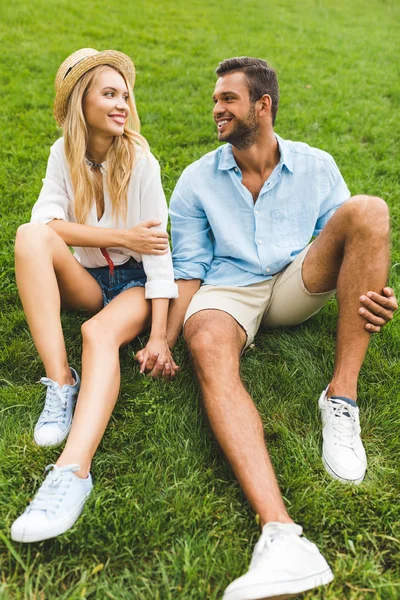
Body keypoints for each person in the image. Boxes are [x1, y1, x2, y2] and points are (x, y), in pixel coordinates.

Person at [141, 57, 397, 599]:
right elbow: (188, 269)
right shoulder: (195, 181)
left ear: (263, 105)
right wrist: (164, 334)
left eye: (228, 99)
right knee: (205, 341)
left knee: (369, 210)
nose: (216, 109)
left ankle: (341, 398)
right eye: (215, 100)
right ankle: (281, 536)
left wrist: (370, 288)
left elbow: (349, 243)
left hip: (293, 279)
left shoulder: (317, 166)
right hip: (227, 286)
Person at [11, 48, 178, 543]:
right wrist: (121, 237)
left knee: (97, 331)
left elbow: (159, 255)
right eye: (109, 93)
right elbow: (46, 223)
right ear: (82, 103)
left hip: (135, 285)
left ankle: (73, 473)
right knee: (28, 235)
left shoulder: (142, 160)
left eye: (125, 94)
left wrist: (163, 334)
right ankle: (62, 382)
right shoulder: (62, 154)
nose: (122, 102)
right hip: (90, 280)